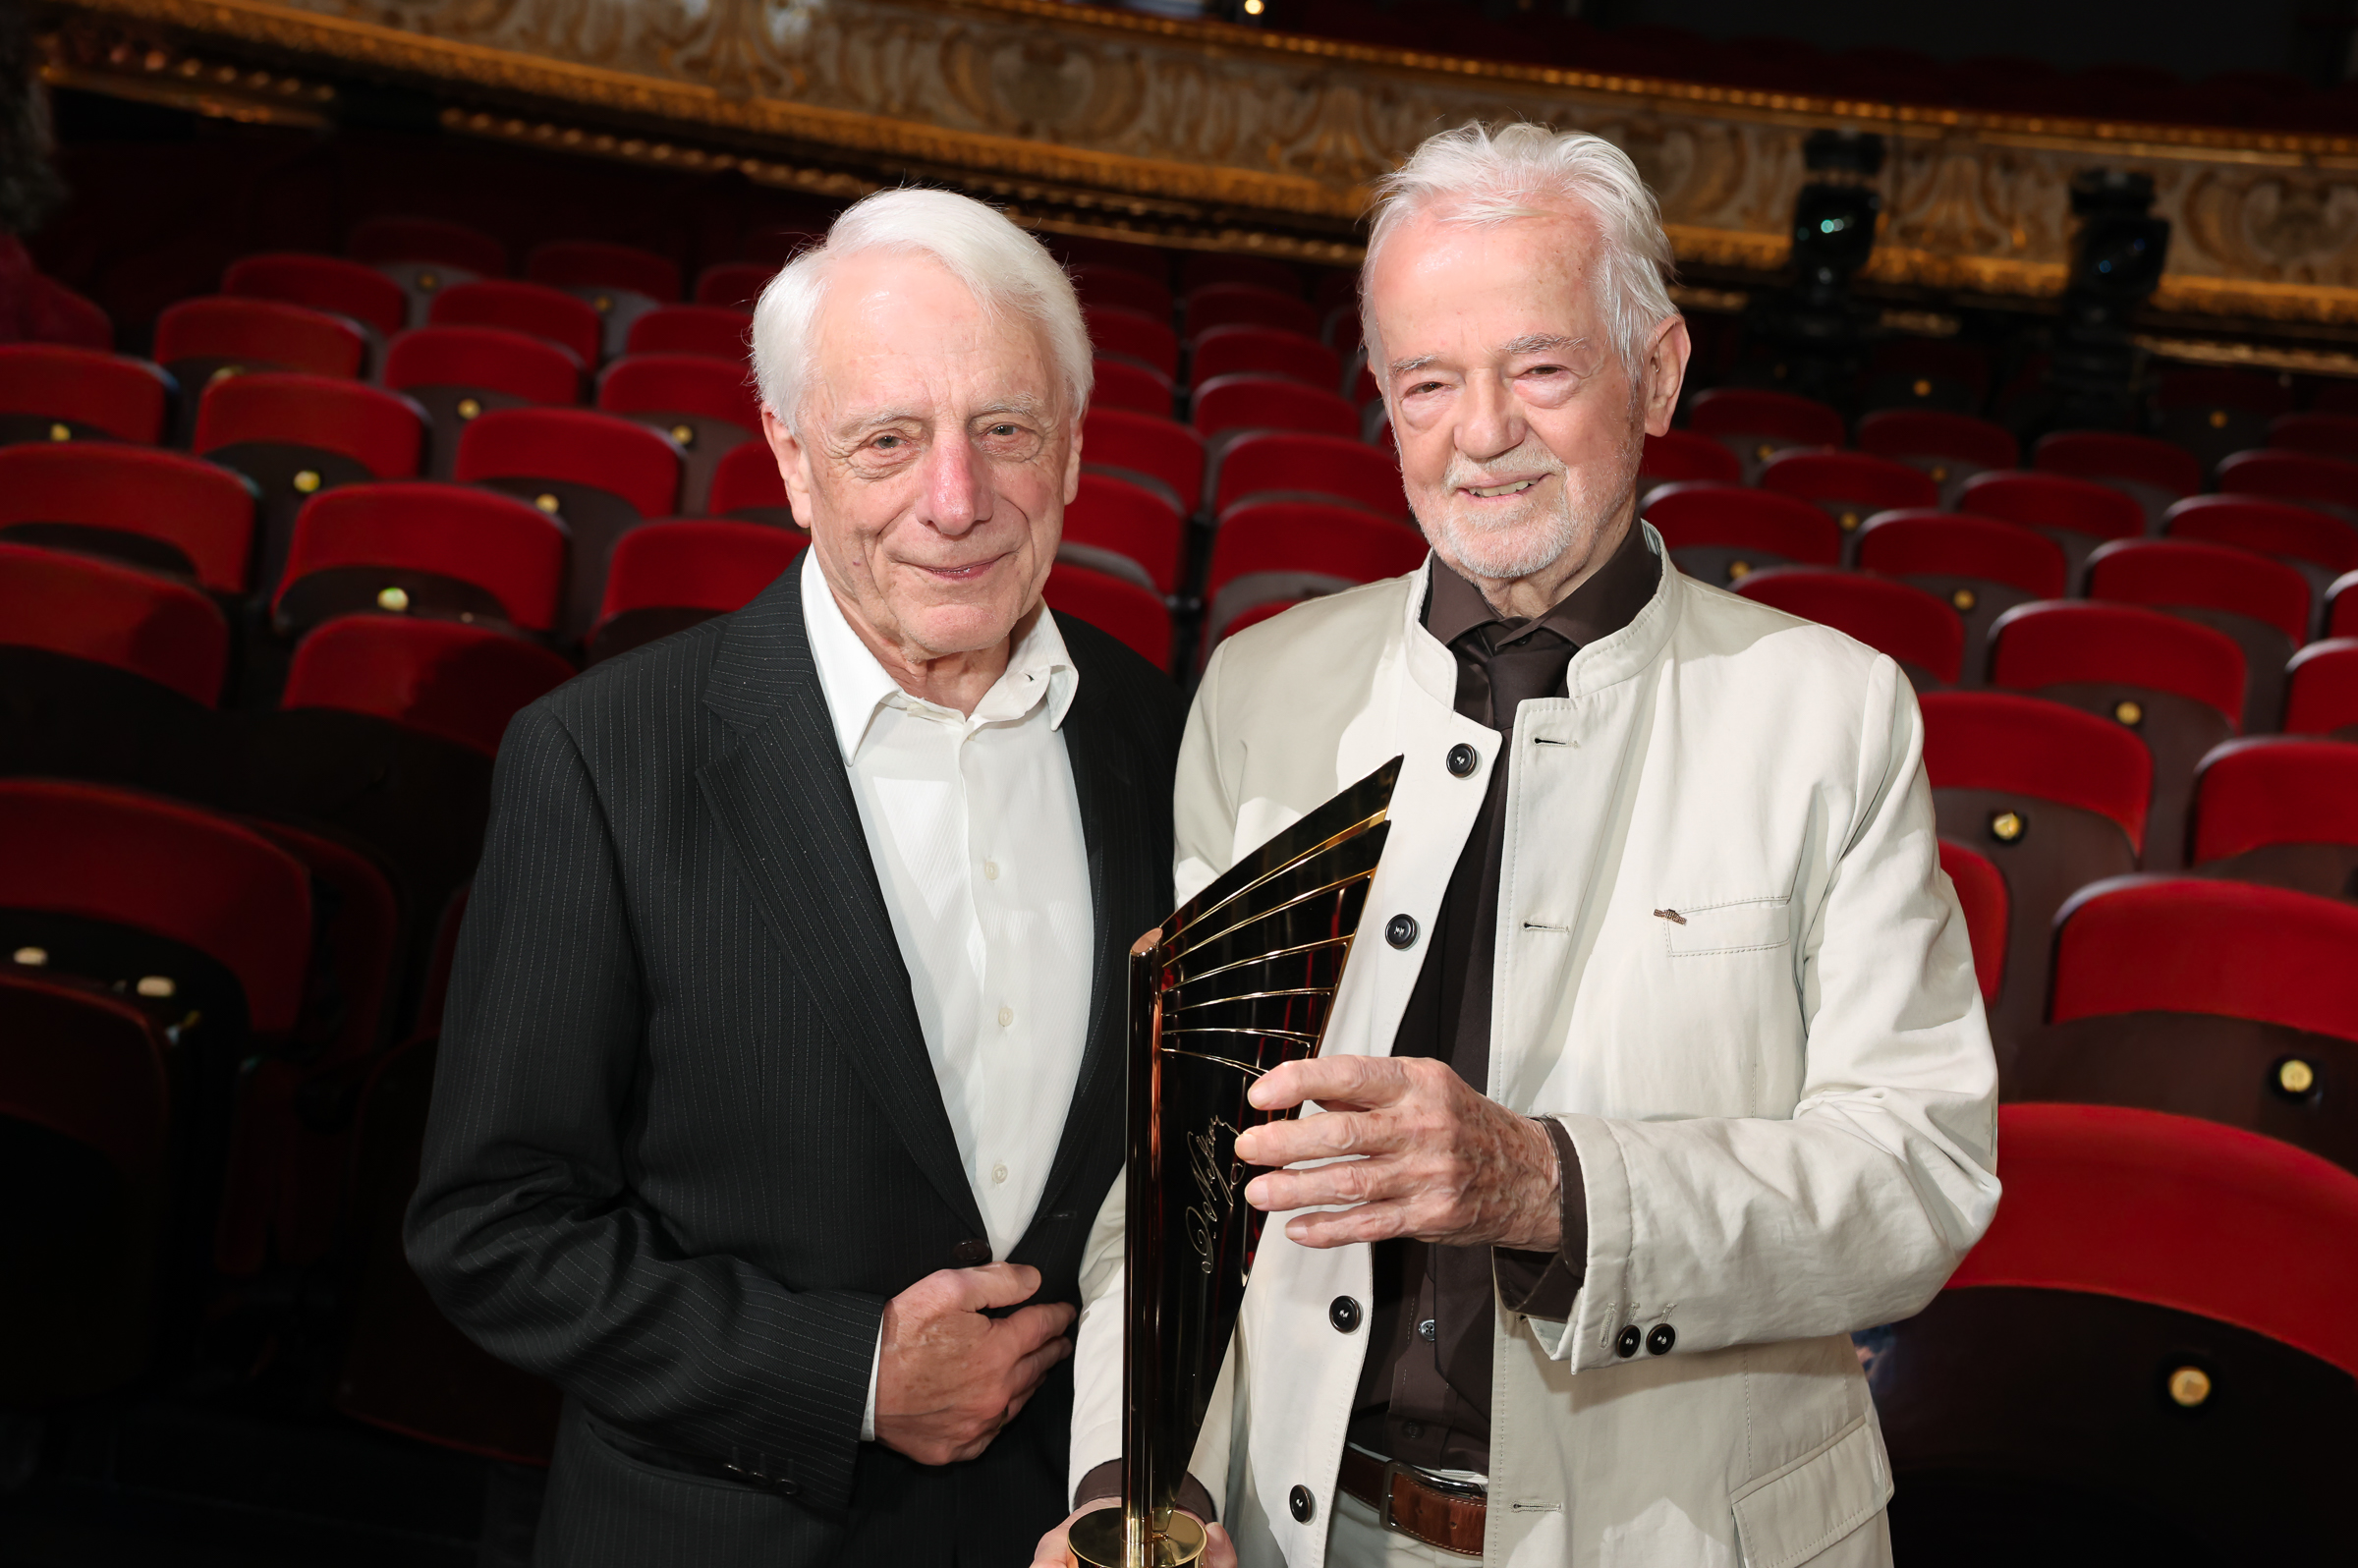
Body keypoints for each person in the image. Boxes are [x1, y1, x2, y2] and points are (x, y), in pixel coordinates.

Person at [1039, 123, 2000, 1567]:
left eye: (1541, 369)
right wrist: (1138, 1477)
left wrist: (1544, 1185)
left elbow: (1917, 1179)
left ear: (1657, 373)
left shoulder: (1835, 714)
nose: (1481, 433)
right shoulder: (1262, 690)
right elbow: (1181, 1157)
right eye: (1428, 382)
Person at [408, 187, 1187, 1567]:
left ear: (1072, 444)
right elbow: (491, 1226)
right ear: (790, 457)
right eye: (887, 440)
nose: (956, 501)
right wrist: (854, 1376)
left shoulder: (1171, 740)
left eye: (1005, 430)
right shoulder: (603, 757)